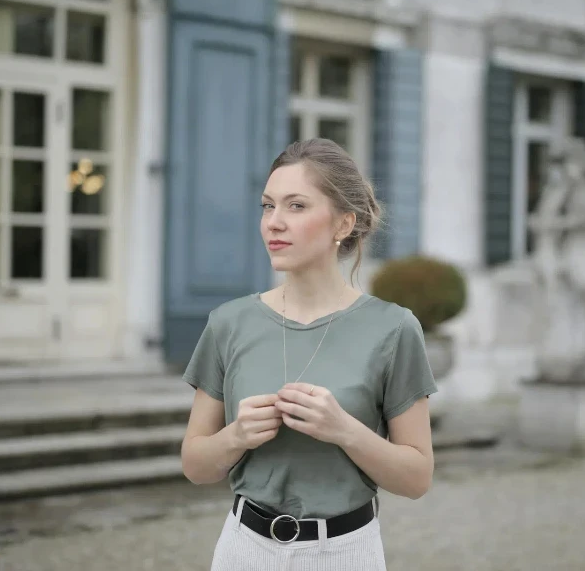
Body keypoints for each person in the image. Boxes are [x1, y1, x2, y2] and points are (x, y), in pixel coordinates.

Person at [180, 138, 438, 570]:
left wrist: (344, 430)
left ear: (343, 225)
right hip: (244, 551)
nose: (274, 223)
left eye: (296, 206)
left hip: (344, 553)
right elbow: (195, 465)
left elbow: (416, 479)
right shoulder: (228, 323)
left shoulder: (393, 329)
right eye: (267, 206)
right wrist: (237, 436)